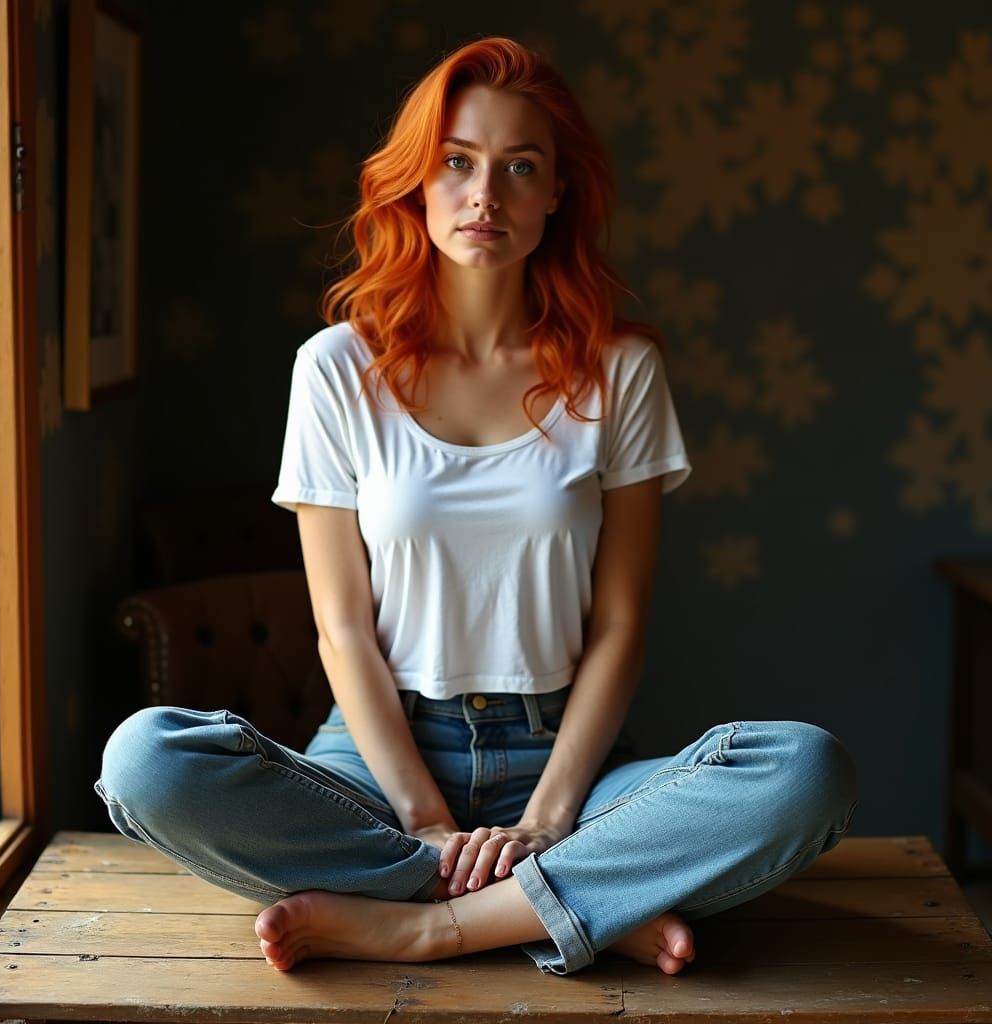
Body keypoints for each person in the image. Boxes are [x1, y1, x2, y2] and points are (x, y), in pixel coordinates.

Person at [96, 36, 858, 977]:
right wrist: (423, 820)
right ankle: (571, 906)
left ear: (557, 193)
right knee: (146, 762)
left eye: (519, 167)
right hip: (375, 763)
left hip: (566, 762)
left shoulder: (620, 370)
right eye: (457, 163)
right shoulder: (337, 368)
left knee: (806, 771)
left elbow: (619, 626)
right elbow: (341, 628)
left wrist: (549, 819)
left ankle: (431, 924)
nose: (485, 195)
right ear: (417, 183)